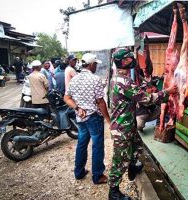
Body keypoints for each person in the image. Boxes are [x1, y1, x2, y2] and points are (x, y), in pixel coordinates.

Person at [108, 48, 177, 200]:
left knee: (136, 146)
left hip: (127, 124)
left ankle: (132, 167)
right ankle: (113, 192)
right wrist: (167, 92)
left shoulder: (117, 78)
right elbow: (145, 99)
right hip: (121, 128)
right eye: (129, 58)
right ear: (123, 61)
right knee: (120, 159)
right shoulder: (123, 81)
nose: (132, 60)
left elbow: (136, 92)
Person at [64, 53, 111, 185]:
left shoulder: (74, 79)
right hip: (94, 118)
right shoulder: (95, 79)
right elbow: (100, 102)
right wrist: (108, 118)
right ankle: (97, 176)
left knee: (82, 144)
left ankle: (79, 172)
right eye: (95, 64)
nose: (96, 66)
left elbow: (66, 98)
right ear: (91, 64)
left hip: (81, 118)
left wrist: (78, 108)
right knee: (97, 145)